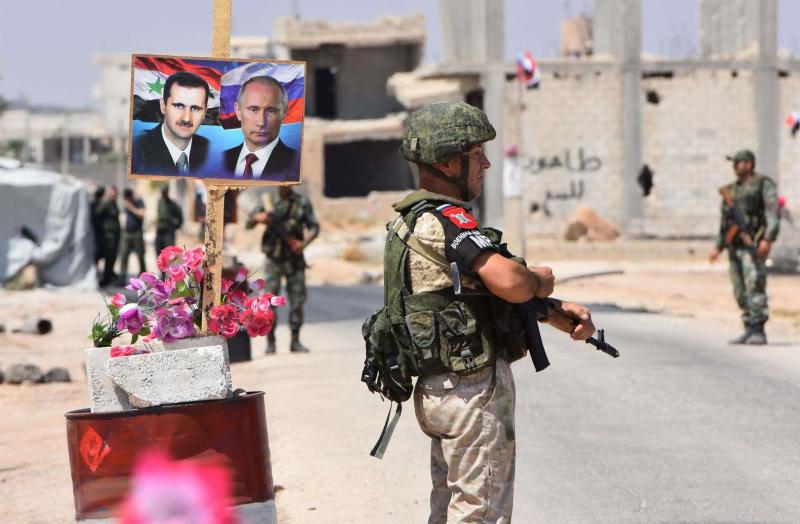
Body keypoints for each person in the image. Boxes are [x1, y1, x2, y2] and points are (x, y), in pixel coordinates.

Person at [395, 101, 595, 522]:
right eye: (476, 155)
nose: (485, 163)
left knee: (450, 508)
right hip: (470, 391)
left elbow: (474, 295)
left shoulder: (411, 220)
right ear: (450, 162)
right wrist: (538, 279)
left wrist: (559, 315)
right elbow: (510, 282)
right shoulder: (448, 220)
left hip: (439, 387)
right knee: (481, 512)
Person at [709, 149, 780, 345]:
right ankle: (748, 326)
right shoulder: (730, 190)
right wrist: (718, 246)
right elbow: (725, 222)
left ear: (749, 164)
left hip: (753, 244)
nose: (735, 166)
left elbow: (772, 212)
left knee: (755, 284)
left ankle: (758, 329)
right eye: (734, 162)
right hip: (735, 246)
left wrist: (768, 238)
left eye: (739, 162)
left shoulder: (762, 184)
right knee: (739, 289)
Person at [246, 186, 319, 353]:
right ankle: (270, 342)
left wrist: (303, 244)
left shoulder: (301, 202)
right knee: (269, 301)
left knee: (297, 300)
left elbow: (314, 227)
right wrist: (259, 218)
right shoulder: (268, 201)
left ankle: (295, 340)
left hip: (295, 258)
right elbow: (248, 222)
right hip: (274, 259)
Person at [131, 71, 210, 176]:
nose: (186, 118)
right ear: (163, 106)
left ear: (205, 111)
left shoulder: (210, 151)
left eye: (195, 108)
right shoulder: (136, 151)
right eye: (179, 106)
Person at [223, 76, 300, 182]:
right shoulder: (219, 161)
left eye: (271, 111)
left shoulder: (297, 165)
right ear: (238, 110)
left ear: (284, 113)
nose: (261, 122)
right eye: (253, 109)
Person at [94, 186, 121, 287]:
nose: (115, 196)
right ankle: (103, 280)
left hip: (114, 236)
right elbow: (97, 215)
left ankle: (107, 277)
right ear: (110, 194)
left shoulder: (114, 204)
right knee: (106, 257)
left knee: (111, 258)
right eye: (113, 194)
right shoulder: (106, 204)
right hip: (107, 236)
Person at [119, 188, 146, 280]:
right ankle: (122, 277)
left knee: (140, 255)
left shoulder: (139, 202)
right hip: (127, 233)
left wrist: (130, 206)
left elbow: (141, 214)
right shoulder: (126, 203)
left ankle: (144, 277)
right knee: (124, 255)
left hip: (137, 233)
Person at [155, 185, 183, 257]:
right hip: (159, 232)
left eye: (164, 192)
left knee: (169, 253)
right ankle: (161, 267)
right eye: (162, 192)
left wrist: (176, 227)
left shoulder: (173, 204)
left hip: (168, 232)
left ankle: (169, 268)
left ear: (167, 192)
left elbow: (180, 217)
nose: (163, 194)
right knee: (159, 252)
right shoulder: (159, 202)